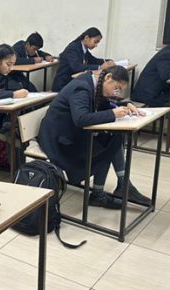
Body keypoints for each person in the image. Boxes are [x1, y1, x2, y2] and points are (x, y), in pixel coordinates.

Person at [38, 66, 151, 208]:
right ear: (108, 77)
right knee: (109, 144)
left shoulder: (95, 85)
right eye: (116, 88)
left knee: (114, 138)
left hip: (70, 134)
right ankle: (109, 190)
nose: (116, 93)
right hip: (59, 141)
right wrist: (113, 114)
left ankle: (116, 187)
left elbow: (105, 105)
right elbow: (81, 118)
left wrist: (127, 105)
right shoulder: (82, 87)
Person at [51, 27, 115, 92]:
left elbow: (93, 60)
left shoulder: (83, 49)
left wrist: (107, 61)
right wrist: (100, 67)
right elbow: (77, 67)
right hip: (63, 84)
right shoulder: (73, 48)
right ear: (87, 38)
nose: (96, 45)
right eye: (95, 42)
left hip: (72, 83)